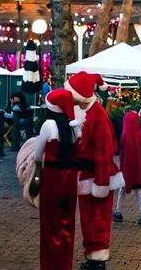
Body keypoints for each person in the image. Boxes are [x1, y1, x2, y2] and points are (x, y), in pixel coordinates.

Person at [68, 72, 126, 270]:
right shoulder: (91, 113)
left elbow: (104, 152)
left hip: (96, 177)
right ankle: (93, 256)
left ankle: (97, 260)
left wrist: (101, 183)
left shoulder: (97, 117)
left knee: (97, 220)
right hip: (90, 176)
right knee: (89, 219)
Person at [34, 88, 80, 270]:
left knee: (50, 228)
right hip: (70, 180)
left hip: (52, 179)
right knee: (67, 227)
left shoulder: (48, 126)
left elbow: (37, 156)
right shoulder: (75, 127)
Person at [113, 111, 141, 226]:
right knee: (139, 192)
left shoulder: (125, 137)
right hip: (139, 171)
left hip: (127, 171)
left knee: (122, 190)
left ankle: (118, 212)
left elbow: (123, 156)